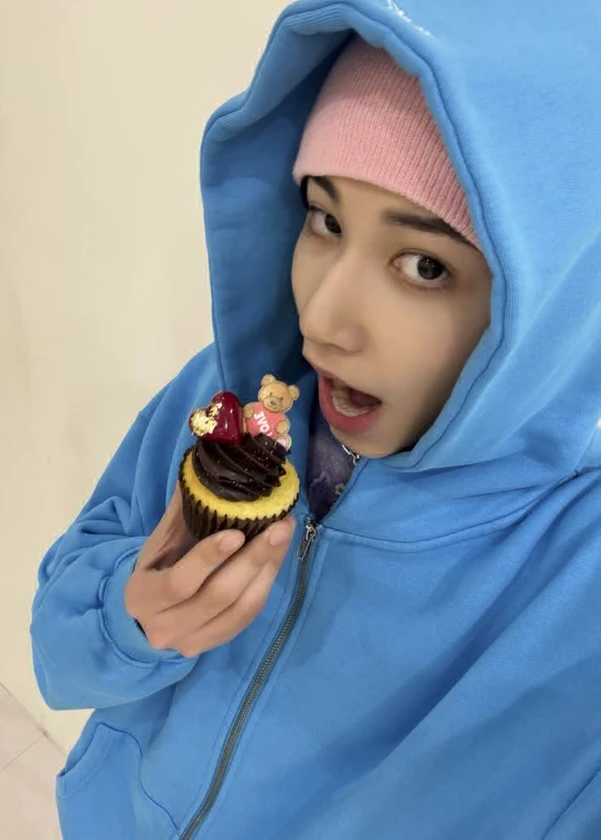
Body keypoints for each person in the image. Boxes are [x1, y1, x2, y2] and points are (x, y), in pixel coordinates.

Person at [30, 2, 601, 838]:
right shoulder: (226, 406)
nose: (324, 319)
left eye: (424, 265)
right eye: (325, 220)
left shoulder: (576, 579)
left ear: (556, 305)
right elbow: (57, 645)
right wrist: (131, 621)